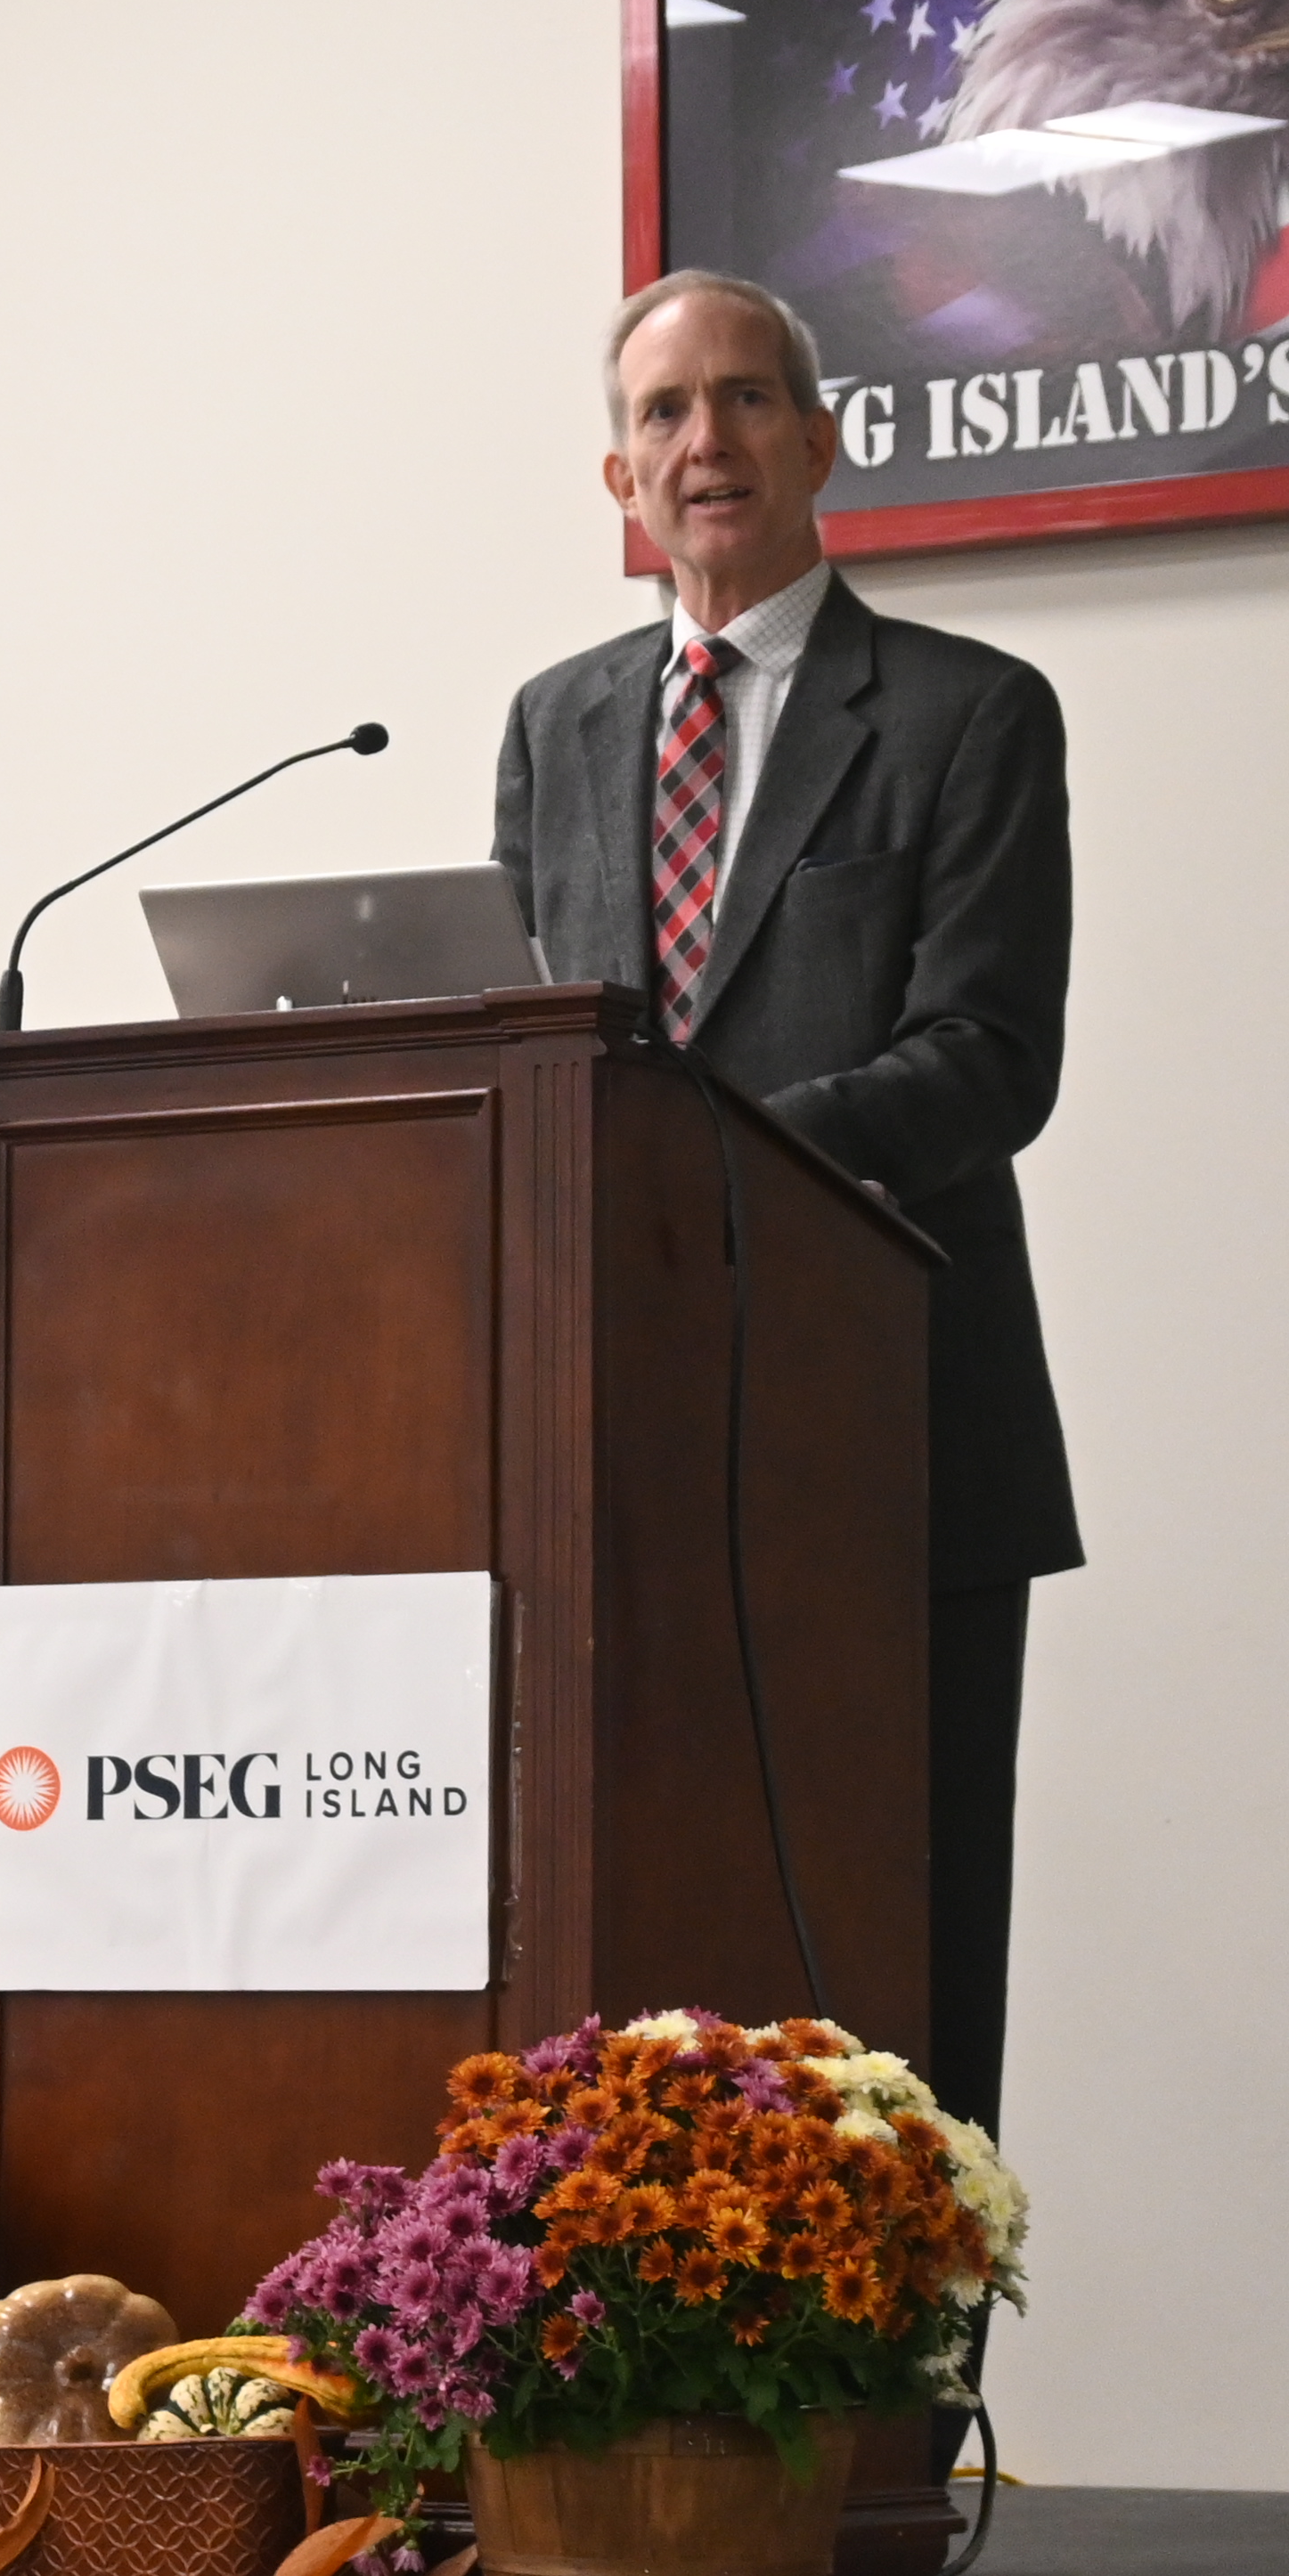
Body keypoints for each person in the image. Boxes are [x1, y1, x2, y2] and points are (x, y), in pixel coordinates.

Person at [490, 269, 1078, 2134]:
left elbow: (989, 1057)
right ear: (616, 477)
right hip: (625, 1466)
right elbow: (544, 1055)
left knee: (895, 1968)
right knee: (639, 1969)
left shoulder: (970, 715)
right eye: (664, 415)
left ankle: (909, 2413)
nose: (706, 441)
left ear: (822, 443)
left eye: (746, 400)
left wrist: (698, 1157)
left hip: (892, 1440)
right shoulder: (555, 727)